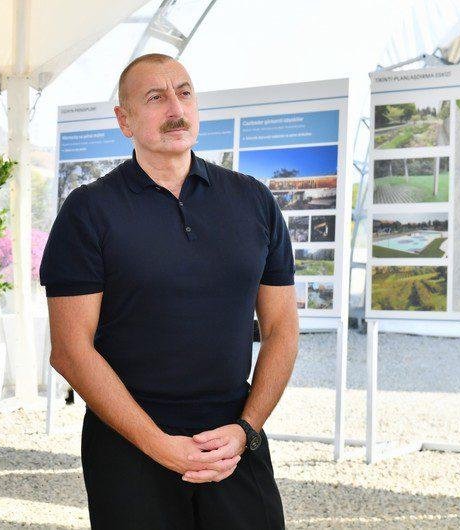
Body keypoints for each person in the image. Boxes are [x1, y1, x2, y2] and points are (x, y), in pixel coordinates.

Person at [40, 53, 299, 529]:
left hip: (232, 440)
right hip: (129, 445)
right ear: (124, 120)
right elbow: (70, 350)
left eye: (184, 93)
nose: (175, 109)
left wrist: (247, 429)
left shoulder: (253, 200)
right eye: (155, 97)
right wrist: (159, 445)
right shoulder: (89, 211)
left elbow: (282, 328)